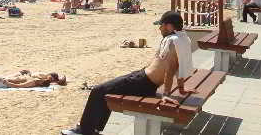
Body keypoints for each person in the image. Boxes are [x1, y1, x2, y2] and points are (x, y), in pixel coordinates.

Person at [62, 11, 193, 135]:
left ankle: (84, 130)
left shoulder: (173, 41)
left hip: (142, 82)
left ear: (169, 26)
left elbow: (171, 69)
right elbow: (180, 65)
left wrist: (166, 94)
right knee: (107, 90)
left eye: (161, 25)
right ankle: (93, 130)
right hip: (144, 80)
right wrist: (181, 87)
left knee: (98, 91)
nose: (159, 28)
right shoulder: (183, 39)